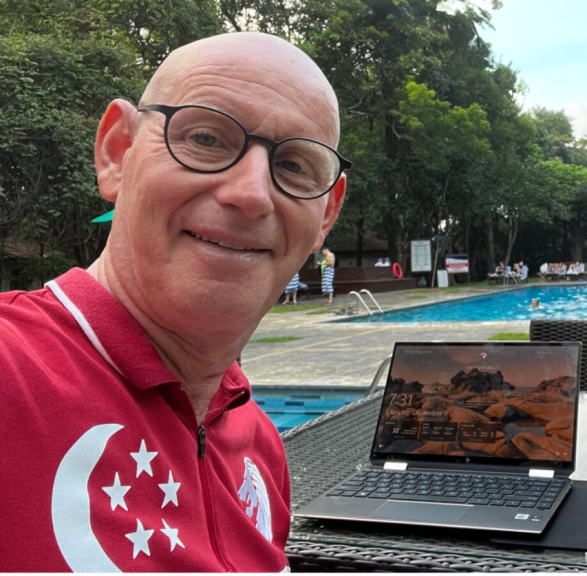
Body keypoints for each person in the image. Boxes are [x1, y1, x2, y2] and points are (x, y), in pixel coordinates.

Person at [0, 33, 348, 572]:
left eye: (296, 166)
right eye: (206, 137)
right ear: (118, 152)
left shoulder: (258, 444)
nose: (251, 193)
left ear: (325, 216)